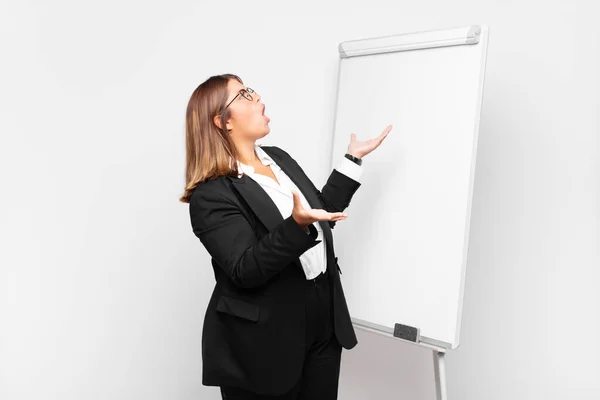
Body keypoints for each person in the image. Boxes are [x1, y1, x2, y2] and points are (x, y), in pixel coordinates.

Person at [180, 73, 391, 400]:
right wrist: (295, 226)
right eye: (245, 95)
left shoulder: (278, 158)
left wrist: (352, 161)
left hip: (323, 317)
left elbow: (319, 214)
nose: (259, 97)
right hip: (265, 339)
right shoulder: (211, 195)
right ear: (222, 121)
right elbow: (245, 269)